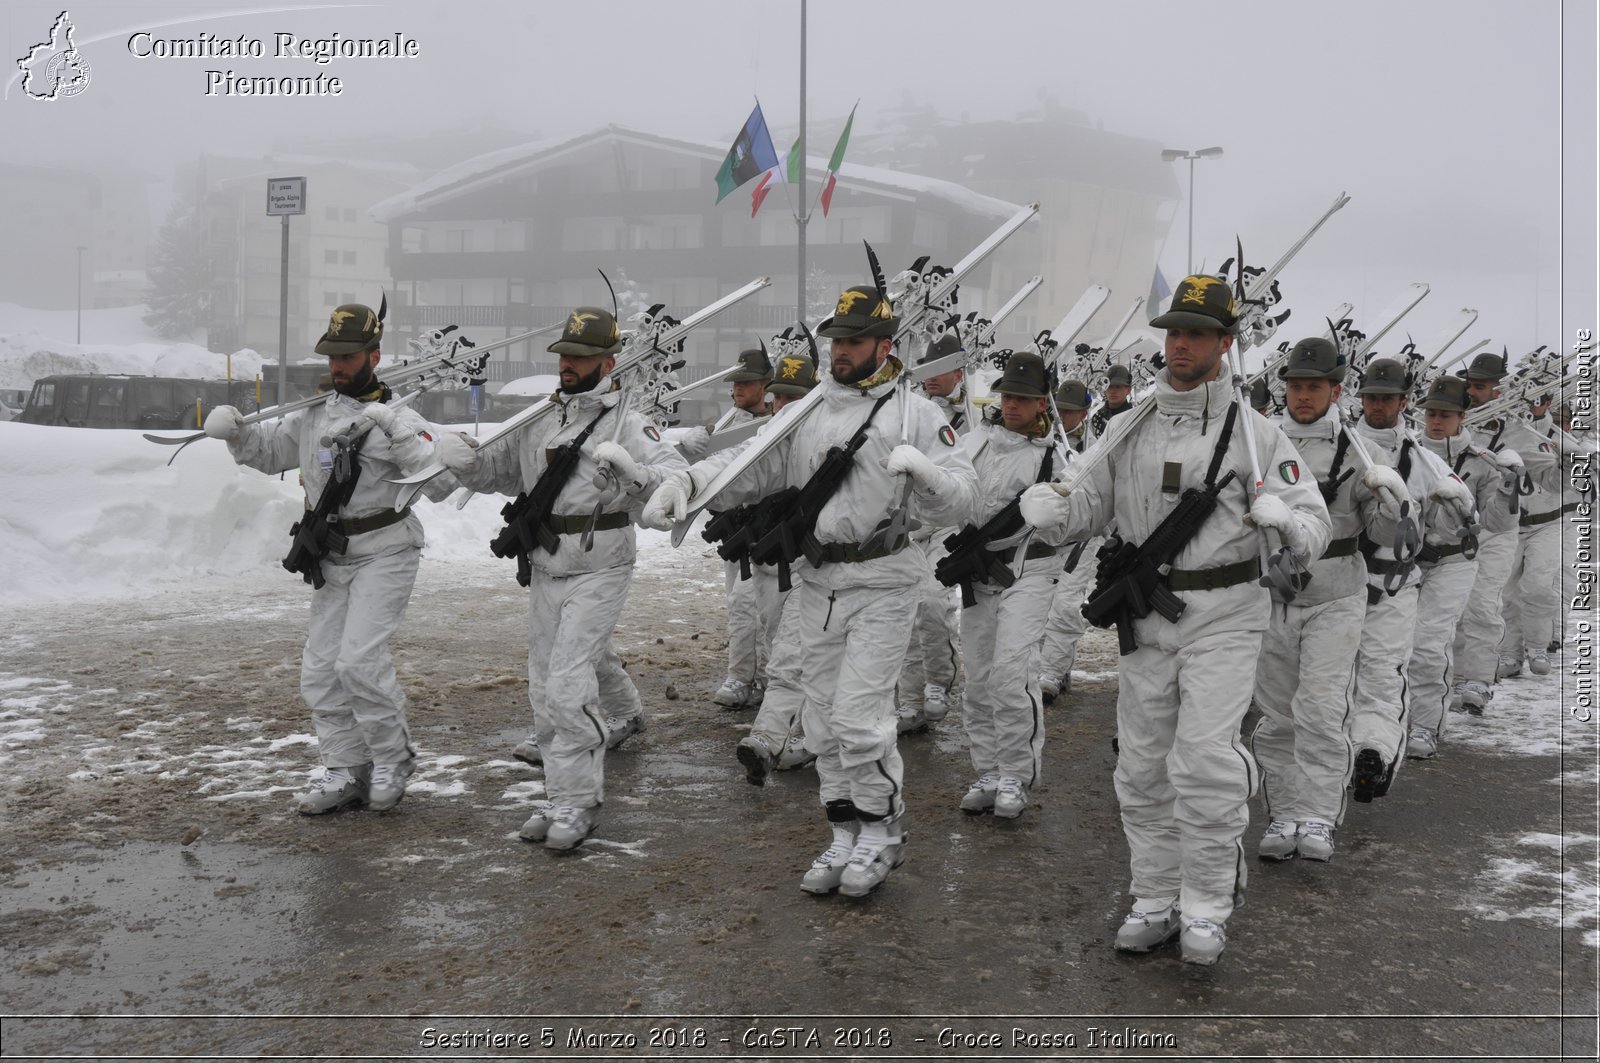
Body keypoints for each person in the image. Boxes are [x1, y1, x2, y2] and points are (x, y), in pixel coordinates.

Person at [1019, 275, 1331, 965]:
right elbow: (1089, 504)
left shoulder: (1257, 433)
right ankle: (1154, 895)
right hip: (1148, 619)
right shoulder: (1129, 425)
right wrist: (1052, 512)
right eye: (1173, 331)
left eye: (1195, 332)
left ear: (1225, 343)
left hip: (1226, 615)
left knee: (1203, 762)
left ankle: (1208, 903)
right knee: (1141, 766)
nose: (1180, 343)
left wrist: (1287, 522)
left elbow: (1314, 519)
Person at [644, 283, 978, 897]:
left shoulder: (917, 413)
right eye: (835, 341)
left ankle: (882, 828)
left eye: (852, 341)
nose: (840, 352)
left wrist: (930, 476)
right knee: (822, 721)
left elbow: (965, 494)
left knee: (859, 717)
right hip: (818, 578)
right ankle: (845, 829)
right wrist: (691, 482)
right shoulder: (808, 411)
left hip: (884, 579)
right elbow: (750, 462)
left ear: (884, 344)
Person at [436, 306, 687, 851]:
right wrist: (464, 460)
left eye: (581, 357)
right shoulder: (541, 418)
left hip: (600, 562)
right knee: (543, 686)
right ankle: (557, 793)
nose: (569, 365)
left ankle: (577, 803)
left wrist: (636, 473)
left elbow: (672, 479)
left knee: (570, 685)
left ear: (608, 361)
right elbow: (501, 471)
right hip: (548, 563)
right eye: (565, 356)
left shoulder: (628, 422)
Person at [203, 302, 439, 815]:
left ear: (374, 355)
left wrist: (396, 435)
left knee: (359, 661)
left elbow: (438, 480)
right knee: (321, 669)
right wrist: (238, 434)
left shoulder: (405, 418)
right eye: (332, 355)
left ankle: (392, 759)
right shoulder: (313, 415)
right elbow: (270, 454)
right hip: (332, 553)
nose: (337, 366)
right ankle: (346, 768)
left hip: (387, 550)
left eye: (348, 356)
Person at [1248, 338, 1405, 863]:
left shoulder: (1364, 452)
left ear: (1336, 391)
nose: (1303, 396)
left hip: (1337, 591)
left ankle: (1317, 813)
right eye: (1294, 386)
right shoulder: (1260, 445)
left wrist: (1392, 497)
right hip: (1274, 594)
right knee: (1275, 713)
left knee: (1320, 709)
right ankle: (1283, 812)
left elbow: (1389, 533)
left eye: (1314, 387)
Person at [948, 351, 1072, 819]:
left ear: (1043, 403)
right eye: (1007, 396)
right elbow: (951, 490)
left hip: (1031, 569)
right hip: (978, 570)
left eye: (1023, 398)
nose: (1012, 405)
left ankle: (1017, 775)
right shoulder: (976, 442)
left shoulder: (1055, 458)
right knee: (979, 675)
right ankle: (988, 767)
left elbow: (1076, 523)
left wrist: (1053, 514)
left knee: (1010, 675)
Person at [1345, 357, 1465, 800]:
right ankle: (1338, 755)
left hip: (1394, 583)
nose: (1378, 405)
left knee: (1383, 671)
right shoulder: (1343, 446)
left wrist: (1451, 506)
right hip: (1340, 582)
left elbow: (1453, 524)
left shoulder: (1423, 461)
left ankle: (1373, 754)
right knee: (1336, 678)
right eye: (1372, 397)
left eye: (1387, 398)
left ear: (1403, 401)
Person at [1406, 375, 1518, 759]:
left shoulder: (1483, 463)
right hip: (1407, 561)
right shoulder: (1409, 453)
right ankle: (1396, 719)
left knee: (1428, 642)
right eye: (1431, 413)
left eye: (1445, 414)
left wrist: (1508, 488)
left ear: (1462, 417)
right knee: (1394, 645)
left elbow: (1497, 523)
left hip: (1455, 560)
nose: (1436, 421)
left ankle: (1425, 725)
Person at [1448, 353, 1563, 713]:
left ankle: (1479, 681)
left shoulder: (1516, 430)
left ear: (1499, 391)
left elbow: (1550, 478)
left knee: (1484, 605)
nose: (1471, 392)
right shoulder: (1454, 421)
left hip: (1498, 532)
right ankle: (1451, 678)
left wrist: (1574, 464)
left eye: (1479, 386)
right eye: (1469, 385)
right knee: (1453, 609)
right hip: (1453, 532)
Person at [736, 351, 822, 783]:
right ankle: (804, 729)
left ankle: (772, 737)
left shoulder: (824, 443)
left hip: (811, 567)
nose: (785, 406)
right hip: (768, 564)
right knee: (779, 649)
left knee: (792, 655)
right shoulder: (761, 441)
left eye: (795, 398)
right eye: (780, 397)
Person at [682, 346, 781, 710]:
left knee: (773, 610)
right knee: (739, 605)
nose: (738, 388)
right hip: (735, 527)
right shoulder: (724, 426)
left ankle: (772, 679)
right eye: (736, 382)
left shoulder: (778, 419)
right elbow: (693, 468)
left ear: (765, 384)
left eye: (747, 381)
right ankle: (741, 676)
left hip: (770, 523)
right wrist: (687, 446)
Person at [895, 333, 969, 734]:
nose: (933, 378)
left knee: (933, 605)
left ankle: (939, 681)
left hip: (945, 528)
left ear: (960, 372)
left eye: (942, 370)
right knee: (905, 612)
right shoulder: (909, 411)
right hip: (907, 527)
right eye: (928, 370)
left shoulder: (974, 414)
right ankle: (909, 700)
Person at [1035, 377, 1098, 702]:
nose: (1067, 415)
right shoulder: (1045, 442)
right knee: (1041, 604)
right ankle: (1050, 664)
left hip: (1084, 538)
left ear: (1085, 413)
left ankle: (1052, 671)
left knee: (1066, 606)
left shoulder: (1096, 447)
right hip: (1049, 534)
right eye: (1064, 409)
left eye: (1074, 411)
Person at [1089, 362, 1134, 436]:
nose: (1113, 391)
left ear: (1128, 390)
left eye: (1118, 386)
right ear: (1104, 389)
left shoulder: (1133, 418)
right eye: (1109, 386)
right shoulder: (1096, 418)